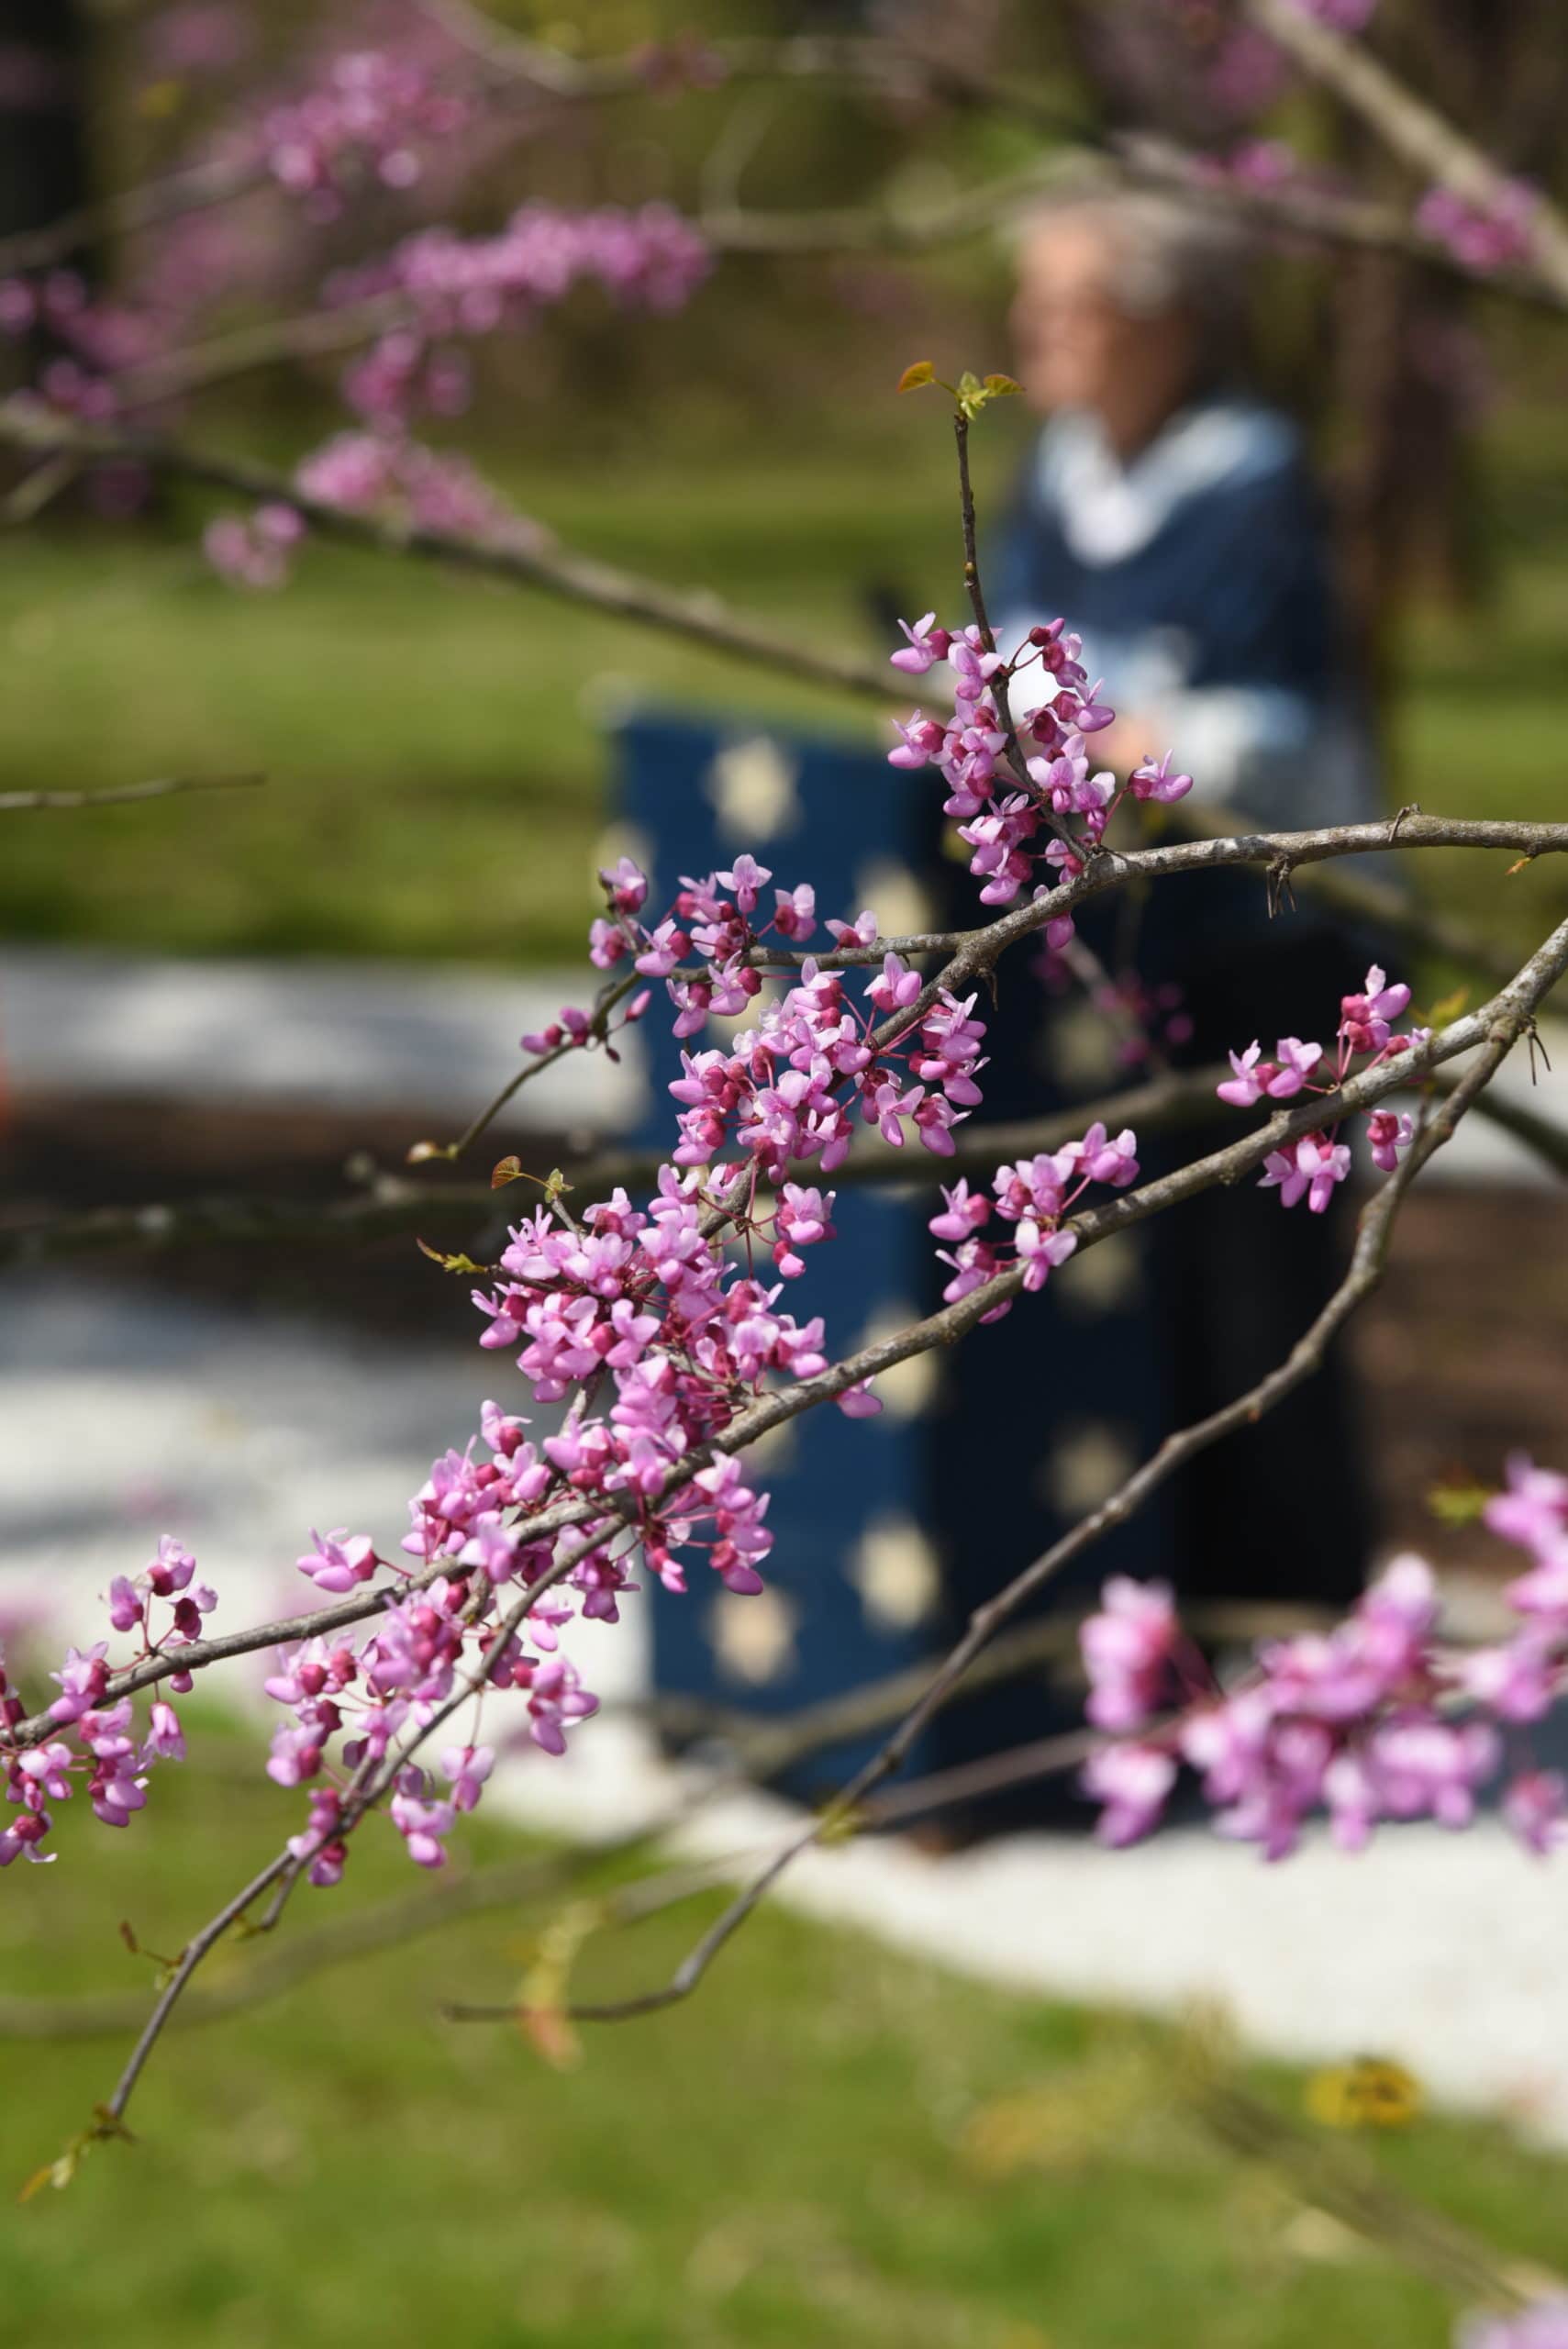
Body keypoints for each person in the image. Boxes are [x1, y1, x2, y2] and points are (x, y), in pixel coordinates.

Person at [973, 185, 1381, 1652]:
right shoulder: (1065, 462)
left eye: (1067, 304)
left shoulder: (1250, 476)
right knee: (1143, 1278)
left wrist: (1137, 729)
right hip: (1139, 935)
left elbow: (1277, 718)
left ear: (1163, 322)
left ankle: (1298, 1612)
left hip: (1269, 929)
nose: (1035, 332)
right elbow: (1018, 637)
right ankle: (1170, 1603)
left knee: (1261, 1289)